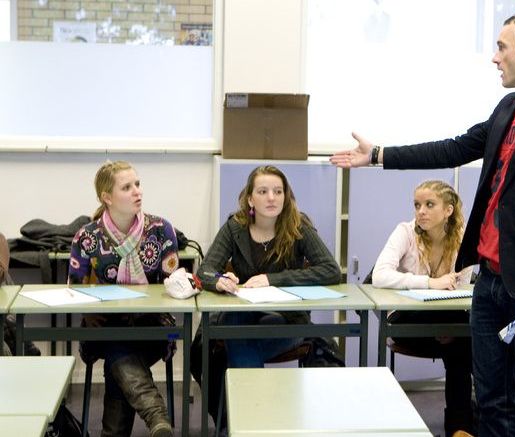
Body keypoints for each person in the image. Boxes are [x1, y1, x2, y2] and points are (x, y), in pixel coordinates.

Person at [331, 13, 515, 436]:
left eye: (502, 47)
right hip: (490, 283)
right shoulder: (509, 108)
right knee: (492, 402)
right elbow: (455, 148)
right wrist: (380, 154)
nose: (495, 58)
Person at [68, 161, 179, 437]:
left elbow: (175, 287)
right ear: (107, 197)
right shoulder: (87, 237)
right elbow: (74, 289)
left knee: (118, 354)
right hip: (104, 327)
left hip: (152, 327)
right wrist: (87, 313)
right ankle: (157, 417)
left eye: (138, 185)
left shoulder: (161, 230)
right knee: (117, 342)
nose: (137, 192)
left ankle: (130, 428)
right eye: (127, 187)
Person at [197, 164, 341, 367]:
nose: (272, 198)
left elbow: (331, 270)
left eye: (278, 191)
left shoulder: (298, 226)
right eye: (263, 192)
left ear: (285, 196)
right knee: (233, 322)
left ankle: (244, 398)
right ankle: (256, 398)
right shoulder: (235, 227)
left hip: (288, 318)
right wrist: (219, 281)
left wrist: (272, 280)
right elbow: (205, 271)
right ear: (250, 199)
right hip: (244, 315)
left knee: (239, 346)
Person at [372, 180, 474, 436]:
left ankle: (459, 428)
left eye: (429, 205)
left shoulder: (463, 238)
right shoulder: (405, 232)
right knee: (462, 344)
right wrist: (429, 283)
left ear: (448, 210)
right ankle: (455, 425)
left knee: (463, 345)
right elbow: (380, 276)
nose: (421, 212)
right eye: (417, 205)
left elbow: (461, 290)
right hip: (410, 323)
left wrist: (447, 320)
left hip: (450, 324)